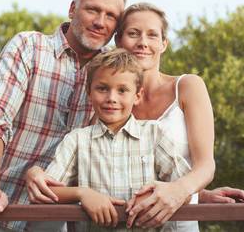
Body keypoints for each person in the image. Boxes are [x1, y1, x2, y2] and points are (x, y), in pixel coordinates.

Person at [27, 2, 244, 229]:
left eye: (152, 35)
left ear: (164, 44)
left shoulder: (187, 86)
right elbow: (93, 169)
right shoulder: (103, 110)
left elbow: (204, 166)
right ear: (119, 41)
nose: (143, 42)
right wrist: (36, 173)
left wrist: (187, 192)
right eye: (133, 33)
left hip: (175, 219)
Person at [0, 0, 126, 232]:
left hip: (49, 220)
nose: (101, 22)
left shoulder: (111, 74)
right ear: (72, 9)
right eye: (93, 10)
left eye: (111, 16)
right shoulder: (29, 47)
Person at [26, 48, 192, 231]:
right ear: (89, 92)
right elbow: (49, 190)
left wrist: (156, 195)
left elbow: (183, 190)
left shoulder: (155, 134)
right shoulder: (77, 140)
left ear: (137, 95)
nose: (111, 98)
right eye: (102, 88)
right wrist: (83, 194)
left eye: (122, 90)